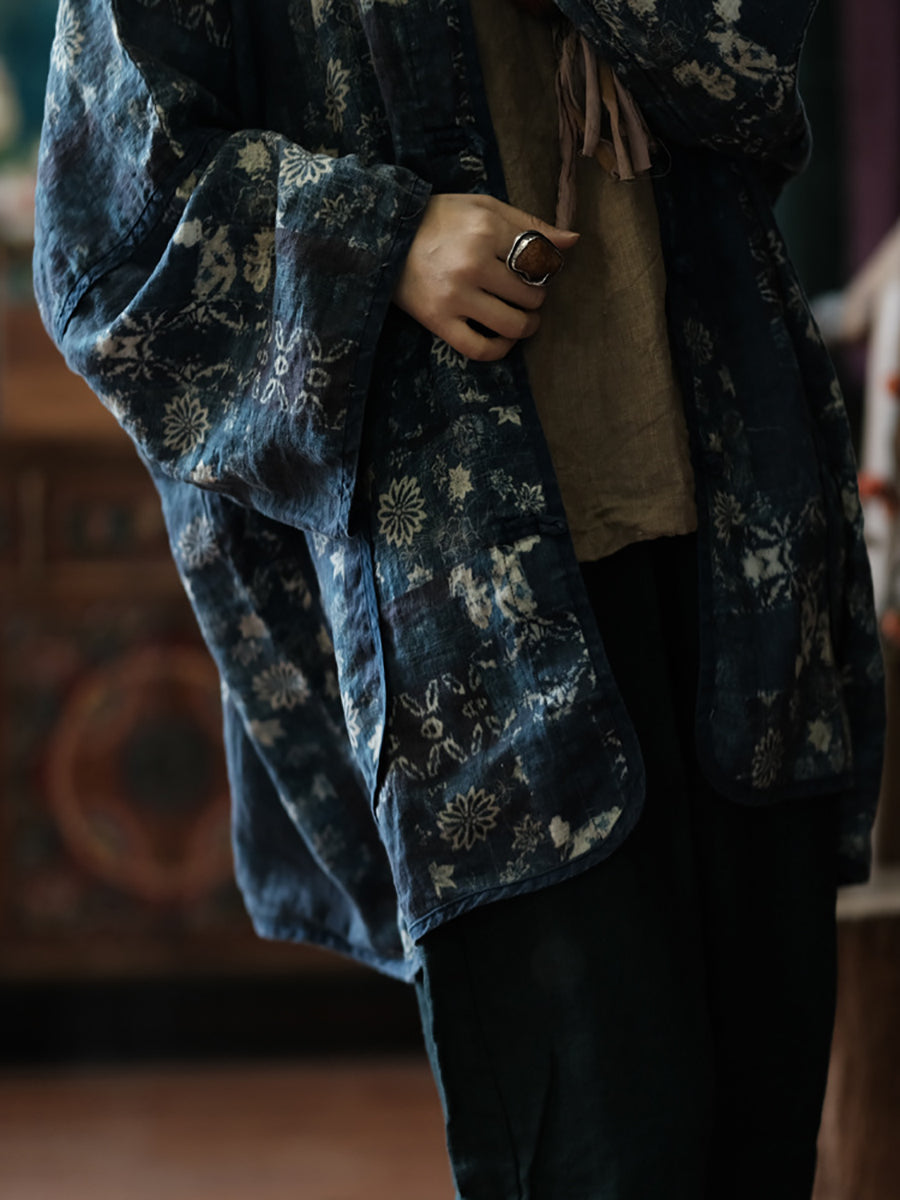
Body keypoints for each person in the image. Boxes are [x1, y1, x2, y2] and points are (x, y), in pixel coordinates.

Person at [33, 1, 885, 1196]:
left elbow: (755, 72)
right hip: (477, 634)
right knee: (603, 1160)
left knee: (763, 1144)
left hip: (749, 568)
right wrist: (385, 242)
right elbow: (106, 248)